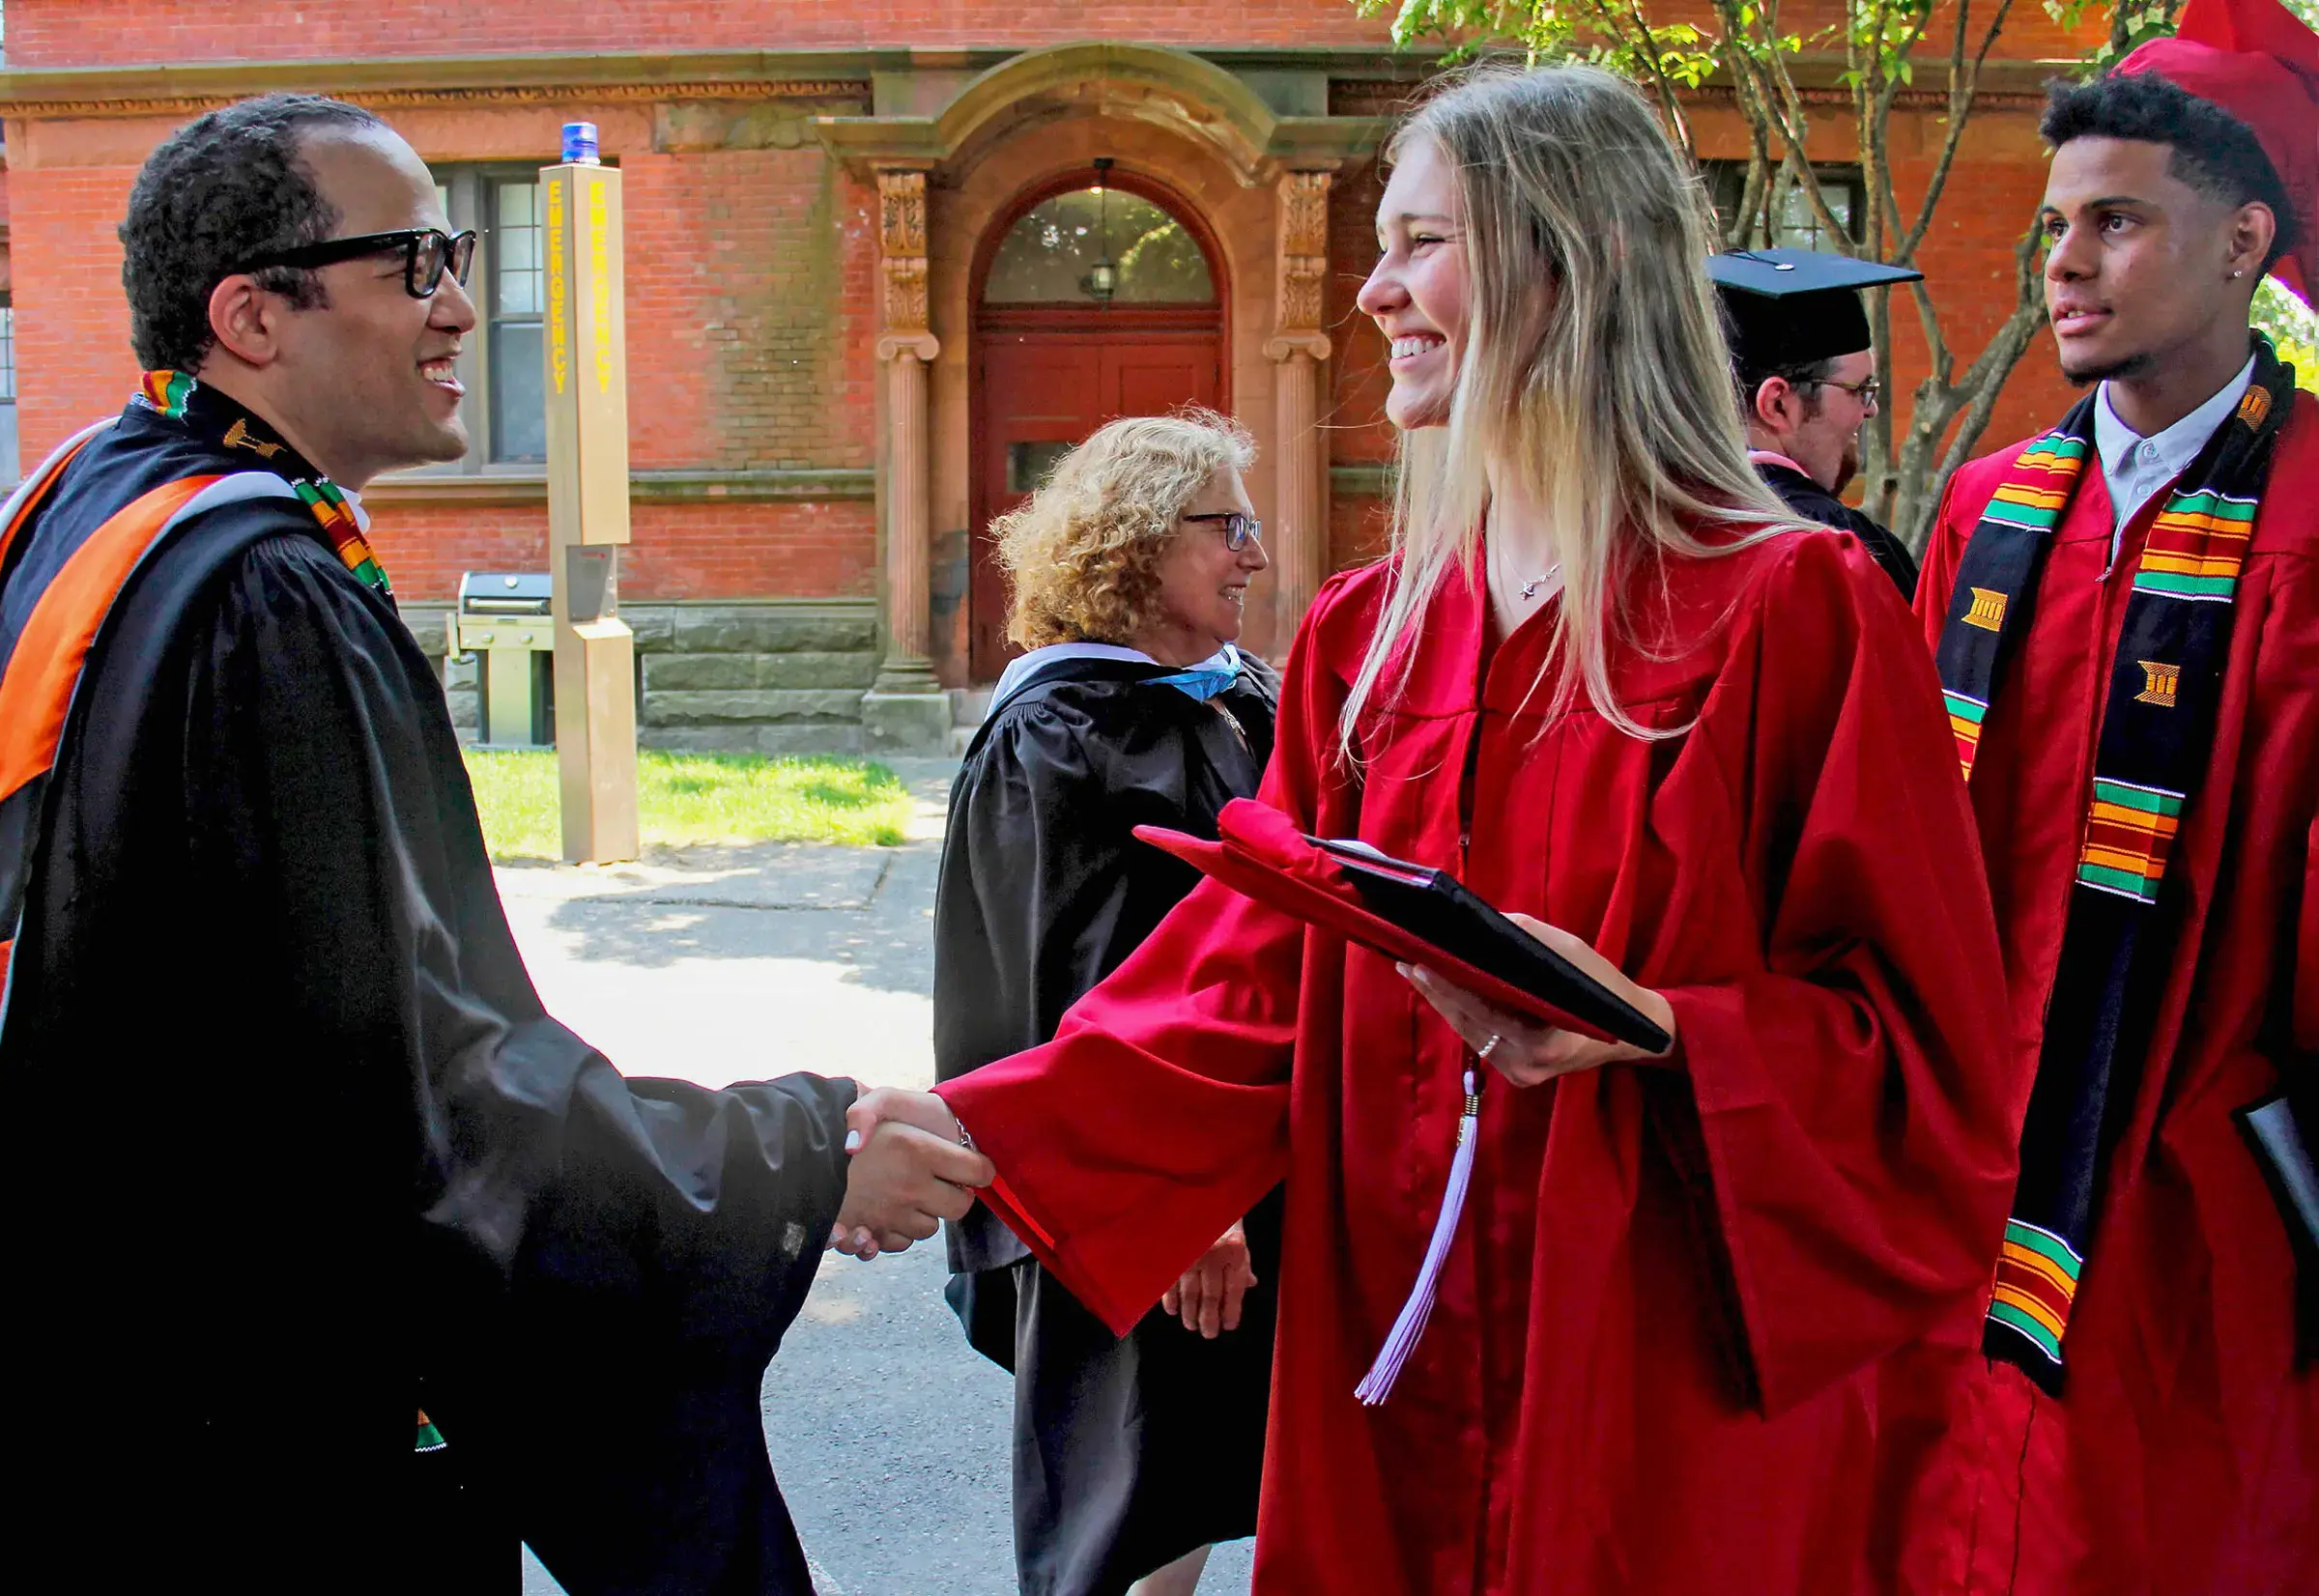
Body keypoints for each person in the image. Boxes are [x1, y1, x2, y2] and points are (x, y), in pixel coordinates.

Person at [854, 63, 2019, 1594]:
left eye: (1420, 244)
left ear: (1570, 262)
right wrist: (979, 1131)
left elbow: (1932, 1056)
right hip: (1394, 1361)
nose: (1375, 294)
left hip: (1651, 1379)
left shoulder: (1793, 614)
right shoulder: (1372, 637)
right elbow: (1239, 982)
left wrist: (1662, 1028)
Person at [0, 94, 986, 1593]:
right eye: (414, 263)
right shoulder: (258, 595)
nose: (458, 303)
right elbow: (408, 1097)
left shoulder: (84, 506)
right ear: (251, 315)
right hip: (222, 1450)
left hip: (38, 1379)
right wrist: (793, 1160)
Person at [1903, 0, 2319, 1586]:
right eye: (2060, 224)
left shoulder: (2312, 521)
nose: (2062, 263)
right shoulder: (1986, 511)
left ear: (2244, 245)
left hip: (2197, 1219)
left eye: (2119, 221)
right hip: (1956, 1182)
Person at [935, 410, 1280, 1596]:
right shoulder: (1059, 731)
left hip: (1233, 1164)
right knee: (1122, 1483)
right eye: (1226, 527)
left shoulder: (1236, 703)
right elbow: (1064, 990)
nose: (1255, 554)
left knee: (1183, 1474)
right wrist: (1184, 1197)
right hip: (1134, 1179)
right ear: (1137, 545)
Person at [1709, 247, 1923, 596]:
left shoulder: (1653, 526)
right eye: (1859, 389)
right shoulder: (1838, 549)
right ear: (1777, 404)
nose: (1871, 410)